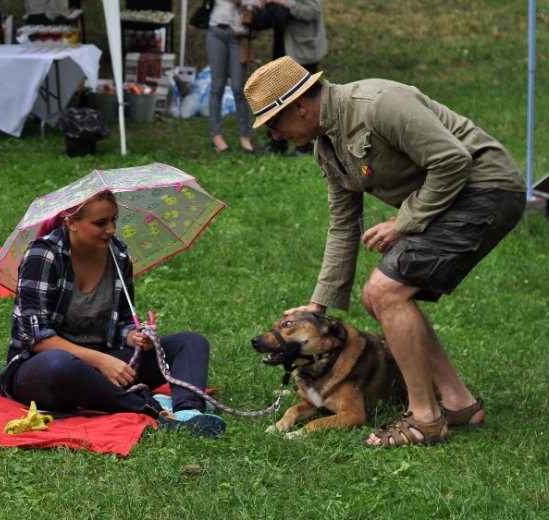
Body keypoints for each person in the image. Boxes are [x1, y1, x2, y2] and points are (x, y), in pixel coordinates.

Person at [244, 56, 527, 447]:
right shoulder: (327, 148)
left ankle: (426, 417)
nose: (274, 136)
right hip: (453, 199)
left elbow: (453, 160)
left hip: (486, 189)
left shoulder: (379, 104)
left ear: (300, 105)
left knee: (385, 291)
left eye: (273, 124)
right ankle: (459, 404)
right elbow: (344, 226)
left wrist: (403, 222)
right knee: (378, 296)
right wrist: (316, 309)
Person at [0, 191, 226, 438]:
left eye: (114, 220)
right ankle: (150, 408)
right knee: (61, 365)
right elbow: (36, 338)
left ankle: (188, 413)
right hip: (46, 369)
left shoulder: (119, 254)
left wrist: (134, 336)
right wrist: (101, 361)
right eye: (100, 223)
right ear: (71, 223)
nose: (111, 229)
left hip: (104, 365)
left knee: (191, 342)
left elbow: (121, 321)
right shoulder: (44, 254)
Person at [261, 0, 326, 156]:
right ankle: (277, 144)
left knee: (302, 98)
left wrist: (283, 2)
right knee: (277, 96)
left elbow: (312, 11)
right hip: (282, 46)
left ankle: (304, 146)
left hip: (302, 50)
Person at [206, 0, 256, 154]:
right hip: (216, 32)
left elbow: (258, 4)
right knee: (217, 87)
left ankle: (245, 136)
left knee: (239, 88)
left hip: (239, 35)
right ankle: (216, 136)